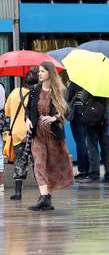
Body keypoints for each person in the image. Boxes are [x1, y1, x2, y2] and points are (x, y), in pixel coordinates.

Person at [26, 62, 74, 211]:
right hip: (37, 133)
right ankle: (44, 197)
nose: (39, 74)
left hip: (53, 134)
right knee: (39, 163)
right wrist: (27, 119)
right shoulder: (35, 90)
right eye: (39, 71)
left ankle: (47, 197)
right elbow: (28, 109)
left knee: (51, 164)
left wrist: (55, 118)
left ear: (49, 73)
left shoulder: (59, 90)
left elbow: (68, 112)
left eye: (42, 71)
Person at [5, 68, 39, 200]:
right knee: (37, 162)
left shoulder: (14, 92)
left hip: (17, 134)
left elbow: (7, 112)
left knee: (19, 162)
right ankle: (43, 192)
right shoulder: (35, 95)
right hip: (32, 132)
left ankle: (18, 192)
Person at [80, 93, 109, 183]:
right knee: (106, 148)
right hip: (105, 120)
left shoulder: (90, 86)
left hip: (93, 119)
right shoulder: (108, 88)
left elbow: (82, 99)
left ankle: (94, 174)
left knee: (92, 148)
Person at [66, 82, 90, 180]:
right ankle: (89, 168)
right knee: (86, 142)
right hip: (89, 113)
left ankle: (82, 169)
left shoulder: (75, 81)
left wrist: (68, 87)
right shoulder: (91, 81)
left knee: (80, 142)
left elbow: (67, 97)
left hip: (77, 114)